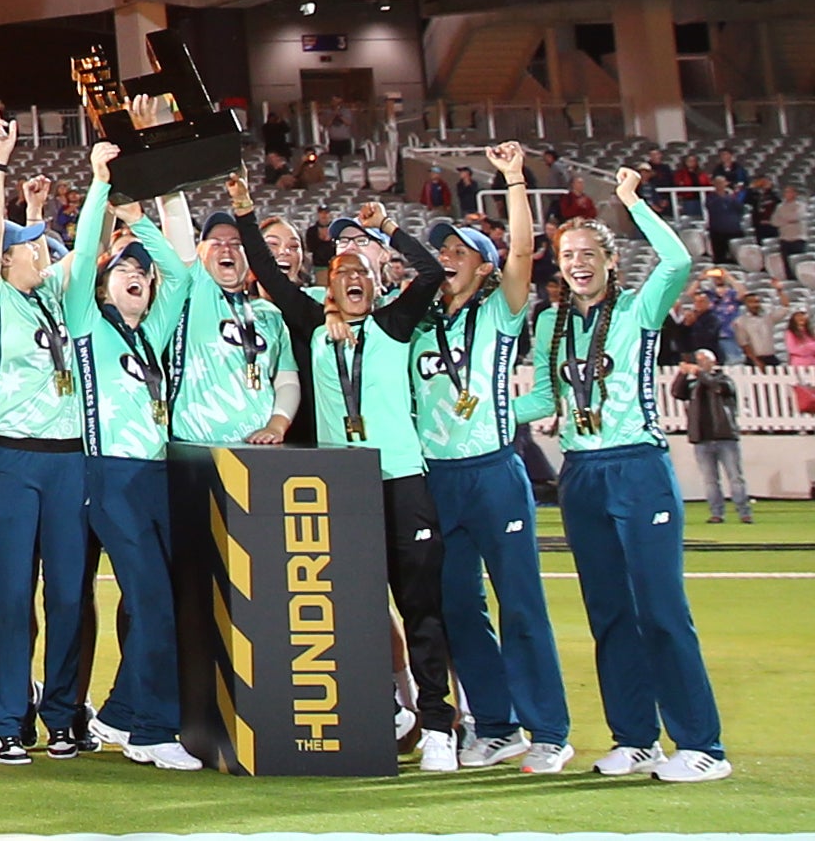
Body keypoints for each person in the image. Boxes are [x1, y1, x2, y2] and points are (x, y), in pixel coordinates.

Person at [229, 192, 458, 765]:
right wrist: (244, 214)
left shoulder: (395, 324)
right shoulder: (310, 325)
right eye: (342, 271)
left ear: (378, 283)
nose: (353, 277)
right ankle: (373, 712)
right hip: (344, 490)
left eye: (363, 271)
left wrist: (388, 228)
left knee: (421, 608)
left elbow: (430, 271)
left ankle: (438, 725)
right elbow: (267, 273)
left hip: (402, 481)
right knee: (350, 611)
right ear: (328, 287)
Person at [527, 168, 727, 777]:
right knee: (609, 612)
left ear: (611, 262)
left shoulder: (640, 307)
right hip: (582, 473)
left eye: (589, 254)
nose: (578, 264)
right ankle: (636, 737)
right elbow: (540, 398)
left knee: (661, 608)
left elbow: (676, 260)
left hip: (638, 466)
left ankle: (702, 747)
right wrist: (488, 408)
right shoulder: (548, 324)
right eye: (567, 256)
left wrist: (632, 203)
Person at [405, 146, 572, 770]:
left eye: (459, 252)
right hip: (437, 479)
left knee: (520, 602)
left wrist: (514, 183)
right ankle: (496, 725)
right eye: (442, 251)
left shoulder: (499, 313)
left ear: (487, 267)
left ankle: (549, 730)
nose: (446, 259)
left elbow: (526, 254)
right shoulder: (420, 324)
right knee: (457, 608)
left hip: (493, 475)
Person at [51, 148, 196, 769]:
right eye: (124, 271)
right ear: (106, 285)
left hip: (159, 472)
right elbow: (84, 259)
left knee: (157, 602)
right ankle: (154, 732)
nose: (135, 274)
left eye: (142, 272)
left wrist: (142, 229)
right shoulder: (87, 322)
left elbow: (183, 277)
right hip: (109, 473)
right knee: (154, 600)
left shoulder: (150, 333)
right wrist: (101, 188)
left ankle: (121, 714)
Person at [0, 130, 87, 762]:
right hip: (10, 457)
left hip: (69, 460)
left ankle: (61, 713)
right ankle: (7, 718)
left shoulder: (56, 303)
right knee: (9, 595)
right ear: (8, 261)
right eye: (32, 248)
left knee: (68, 594)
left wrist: (104, 184)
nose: (44, 252)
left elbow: (84, 251)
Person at [674, 342, 748, 523]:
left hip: (724, 435)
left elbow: (717, 386)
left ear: (712, 362)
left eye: (702, 360)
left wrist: (699, 373)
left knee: (735, 478)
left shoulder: (723, 379)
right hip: (702, 438)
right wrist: (682, 375)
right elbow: (677, 393)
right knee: (710, 480)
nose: (698, 363)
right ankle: (717, 513)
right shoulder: (694, 384)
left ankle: (744, 512)